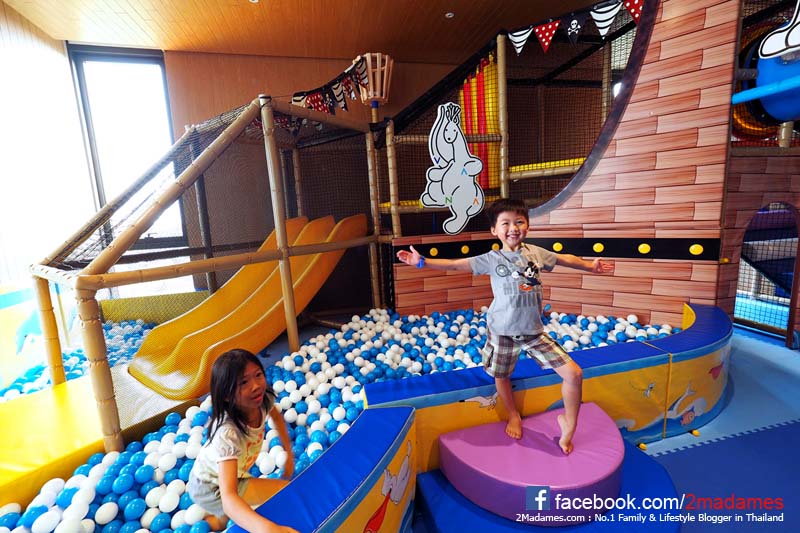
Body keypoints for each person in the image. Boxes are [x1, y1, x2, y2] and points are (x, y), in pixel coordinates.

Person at [396, 198, 614, 454]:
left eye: (519, 222)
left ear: (528, 226)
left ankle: (569, 424)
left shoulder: (535, 253)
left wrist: (590, 266)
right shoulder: (491, 259)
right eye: (506, 223)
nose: (513, 228)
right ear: (494, 230)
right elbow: (456, 264)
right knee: (501, 375)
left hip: (533, 332)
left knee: (574, 374)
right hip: (502, 331)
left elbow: (563, 259)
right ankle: (513, 414)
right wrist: (422, 262)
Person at [187, 349, 298, 533]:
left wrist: (289, 454)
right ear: (226, 395)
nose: (256, 386)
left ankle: (212, 522)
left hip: (224, 474)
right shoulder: (228, 434)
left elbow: (277, 418)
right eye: (243, 382)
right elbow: (229, 497)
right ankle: (205, 524)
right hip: (209, 486)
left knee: (225, 519)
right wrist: (270, 530)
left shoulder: (262, 399)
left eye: (258, 375)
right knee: (284, 492)